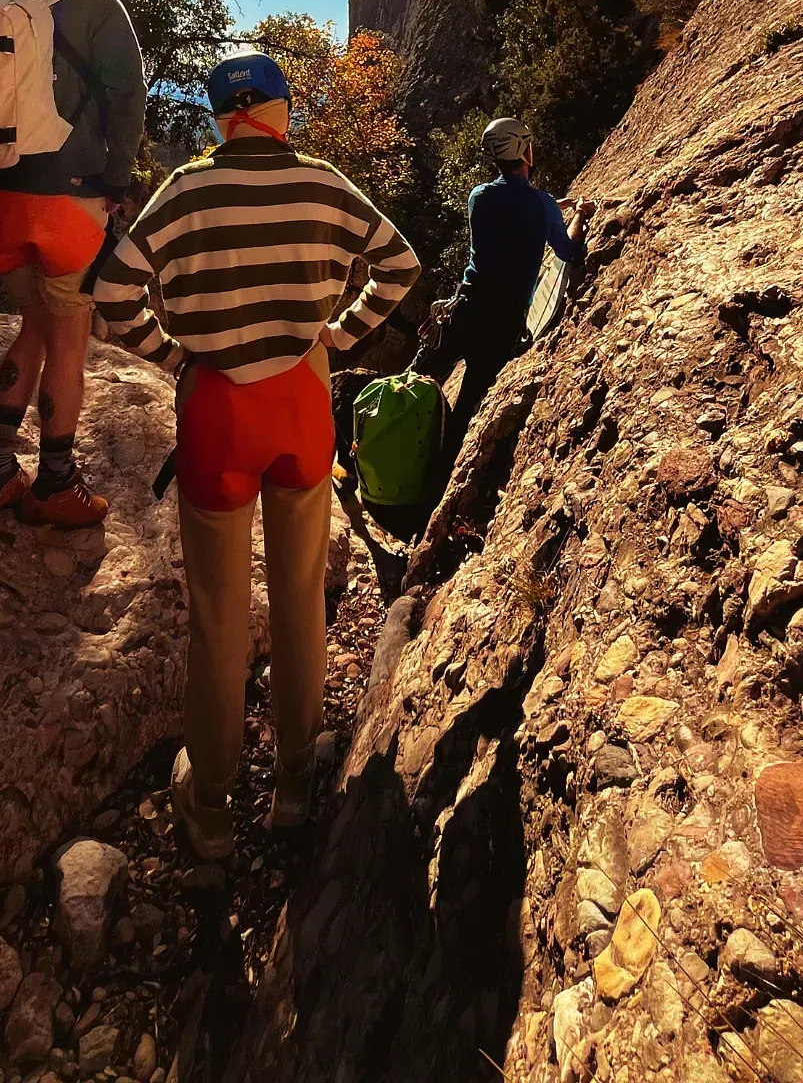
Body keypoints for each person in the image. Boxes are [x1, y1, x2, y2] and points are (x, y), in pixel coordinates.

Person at [91, 51, 420, 858]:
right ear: (280, 112)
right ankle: (296, 783)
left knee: (217, 618)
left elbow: (112, 297)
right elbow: (401, 266)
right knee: (301, 597)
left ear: (217, 118)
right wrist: (335, 337)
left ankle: (208, 809)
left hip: (216, 416)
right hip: (301, 408)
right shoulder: (321, 182)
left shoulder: (185, 191)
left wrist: (177, 359)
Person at [0, 0, 147, 533]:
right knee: (70, 340)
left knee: (31, 326)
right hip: (67, 203)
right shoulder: (98, 7)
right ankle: (56, 483)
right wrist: (117, 183)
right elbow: (128, 102)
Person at [413, 116, 594, 495]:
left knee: (417, 380)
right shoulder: (541, 205)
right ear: (523, 149)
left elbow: (510, 216)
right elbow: (568, 251)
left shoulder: (478, 197)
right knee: (466, 411)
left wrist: (549, 207)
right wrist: (575, 214)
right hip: (502, 323)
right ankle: (433, 489)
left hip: (465, 308)